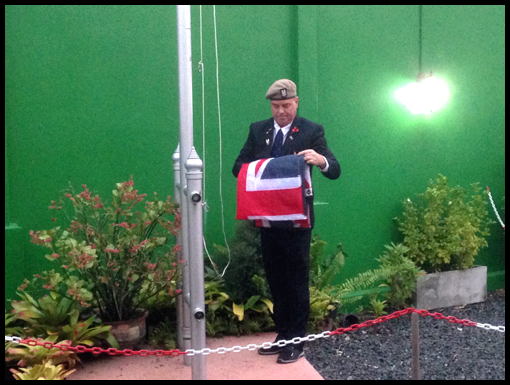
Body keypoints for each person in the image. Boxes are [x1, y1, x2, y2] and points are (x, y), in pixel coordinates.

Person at [232, 79, 340, 364]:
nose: (280, 111)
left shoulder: (310, 130)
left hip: (297, 220)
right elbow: (238, 167)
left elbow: (334, 169)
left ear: (296, 102)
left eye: (286, 105)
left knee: (296, 281)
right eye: (276, 106)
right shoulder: (258, 130)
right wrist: (263, 168)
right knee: (276, 280)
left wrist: (319, 159)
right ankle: (282, 335)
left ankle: (296, 340)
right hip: (268, 219)